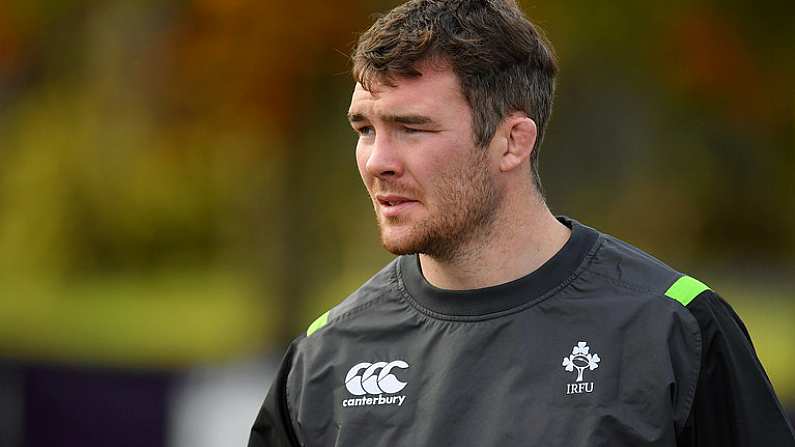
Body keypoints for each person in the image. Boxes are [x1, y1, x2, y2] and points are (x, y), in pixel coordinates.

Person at [248, 0, 795, 445]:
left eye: (411, 128)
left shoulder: (676, 329)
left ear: (512, 141)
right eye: (365, 129)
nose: (377, 161)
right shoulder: (327, 355)